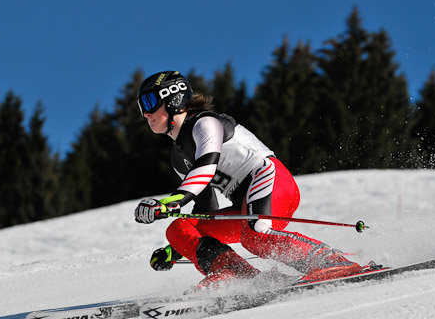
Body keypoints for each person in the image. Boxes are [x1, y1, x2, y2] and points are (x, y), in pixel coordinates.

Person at [134, 70, 366, 289]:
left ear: (171, 99)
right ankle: (235, 274)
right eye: (141, 106)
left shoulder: (205, 124)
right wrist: (176, 248)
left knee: (256, 238)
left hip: (269, 179)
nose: (145, 113)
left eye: (148, 103)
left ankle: (332, 262)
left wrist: (168, 202)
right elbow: (206, 208)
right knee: (178, 227)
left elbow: (205, 168)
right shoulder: (178, 157)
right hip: (244, 202)